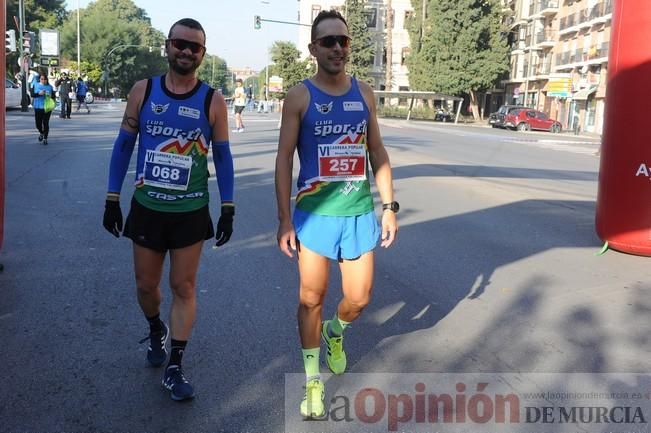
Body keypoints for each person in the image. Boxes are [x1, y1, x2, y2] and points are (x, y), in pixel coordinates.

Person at [102, 18, 235, 402]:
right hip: (146, 207)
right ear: (167, 46)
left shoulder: (213, 100)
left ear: (202, 55)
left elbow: (223, 158)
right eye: (180, 44)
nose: (186, 51)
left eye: (194, 47)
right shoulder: (143, 92)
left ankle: (175, 365)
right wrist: (112, 197)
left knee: (184, 286)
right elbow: (124, 145)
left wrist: (228, 206)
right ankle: (155, 326)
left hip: (190, 210)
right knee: (146, 287)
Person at [274, 9, 398, 419]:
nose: (338, 48)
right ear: (313, 49)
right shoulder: (299, 96)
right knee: (311, 298)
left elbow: (376, 151)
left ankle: (336, 332)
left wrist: (389, 207)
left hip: (359, 213)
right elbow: (283, 159)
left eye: (343, 41)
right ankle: (312, 383)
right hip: (314, 216)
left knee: (359, 299)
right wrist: (284, 220)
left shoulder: (364, 93)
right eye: (328, 41)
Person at [31, 72, 55, 145]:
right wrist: (39, 94)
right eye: (42, 79)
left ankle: (45, 138)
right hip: (38, 107)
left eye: (45, 79)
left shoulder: (50, 87)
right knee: (38, 124)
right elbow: (32, 95)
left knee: (45, 123)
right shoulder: (35, 85)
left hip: (47, 107)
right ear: (39, 79)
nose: (43, 80)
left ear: (47, 79)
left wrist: (50, 96)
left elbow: (53, 97)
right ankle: (41, 133)